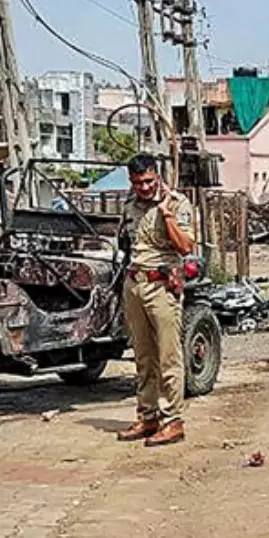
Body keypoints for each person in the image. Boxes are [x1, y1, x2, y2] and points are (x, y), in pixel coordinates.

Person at [116, 154, 195, 448]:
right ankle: (148, 416)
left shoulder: (176, 203)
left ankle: (173, 421)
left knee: (168, 357)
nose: (144, 188)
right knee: (143, 357)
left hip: (161, 286)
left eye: (149, 181)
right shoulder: (130, 206)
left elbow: (186, 246)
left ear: (158, 177)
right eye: (138, 183)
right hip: (134, 284)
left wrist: (166, 215)